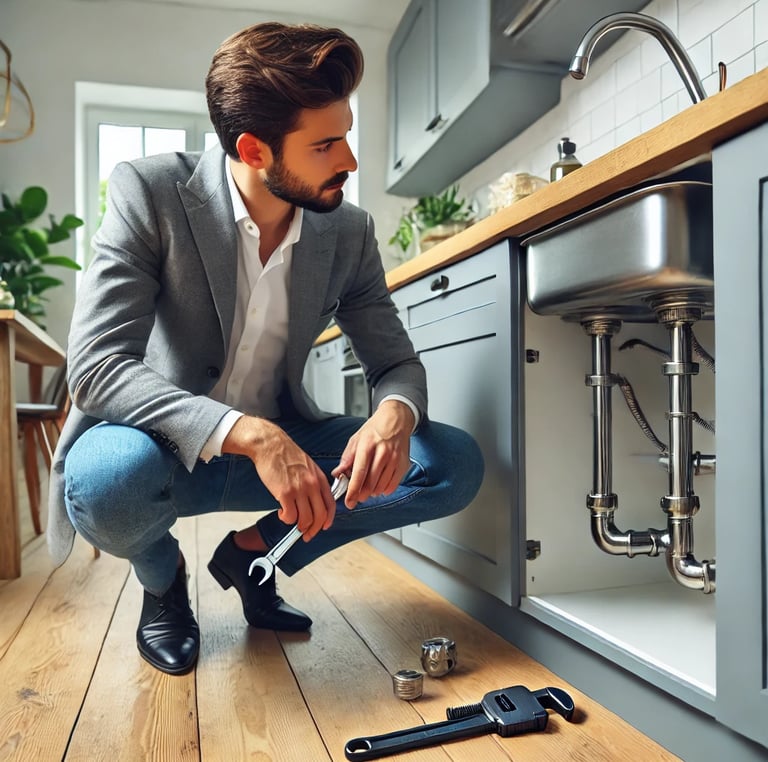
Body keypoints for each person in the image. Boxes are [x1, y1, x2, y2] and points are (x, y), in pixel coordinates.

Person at [49, 22, 484, 676]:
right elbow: (96, 368)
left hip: (290, 441)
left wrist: (395, 414)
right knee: (107, 481)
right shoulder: (149, 194)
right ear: (254, 151)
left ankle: (258, 556)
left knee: (451, 462)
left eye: (348, 135)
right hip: (163, 450)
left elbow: (394, 362)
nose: (350, 162)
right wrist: (245, 433)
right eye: (326, 144)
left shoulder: (349, 232)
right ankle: (163, 584)